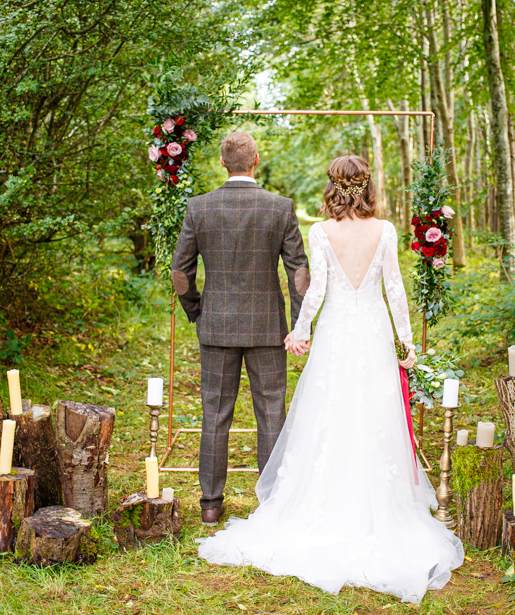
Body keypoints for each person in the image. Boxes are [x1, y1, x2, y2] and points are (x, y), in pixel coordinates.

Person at [197, 155, 464, 604]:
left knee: (330, 413)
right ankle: (376, 505)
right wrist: (406, 343)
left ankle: (321, 505)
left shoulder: (321, 232)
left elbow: (316, 288)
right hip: (375, 332)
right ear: (368, 187)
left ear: (334, 188)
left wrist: (299, 333)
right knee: (373, 412)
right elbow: (394, 289)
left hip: (338, 332)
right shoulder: (386, 231)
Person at [171, 131, 310, 526]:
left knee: (215, 415)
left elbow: (180, 273)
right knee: (271, 413)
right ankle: (272, 503)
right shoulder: (279, 207)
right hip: (268, 328)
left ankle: (211, 505)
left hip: (216, 327)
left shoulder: (200, 207)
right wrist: (298, 324)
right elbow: (299, 273)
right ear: (256, 161)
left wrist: (198, 311)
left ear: (222, 163)